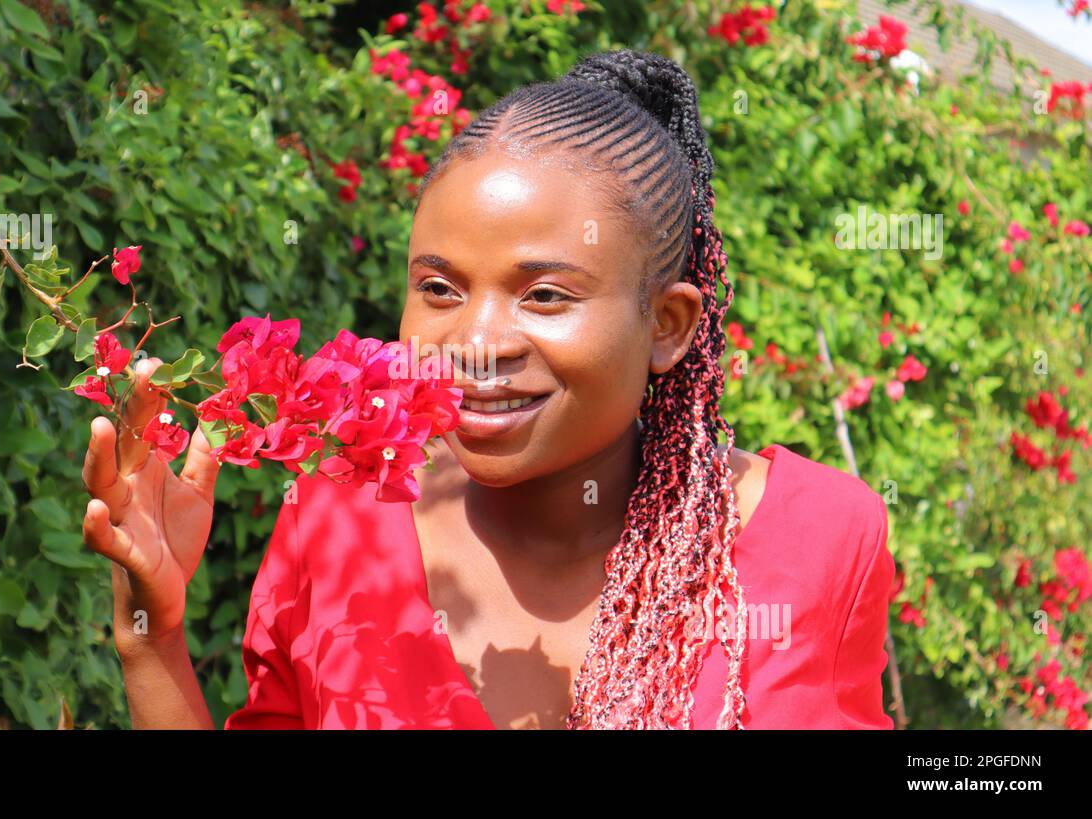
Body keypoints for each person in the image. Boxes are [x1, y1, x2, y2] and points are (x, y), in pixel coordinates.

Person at [80, 48, 895, 729]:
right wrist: (154, 639)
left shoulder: (818, 538)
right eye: (439, 288)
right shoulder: (337, 523)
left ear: (669, 325)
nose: (472, 346)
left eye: (545, 295)